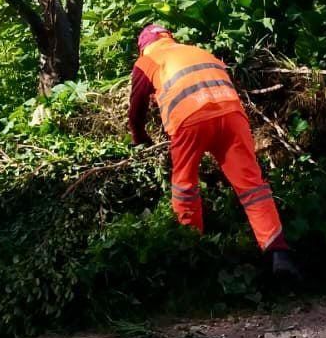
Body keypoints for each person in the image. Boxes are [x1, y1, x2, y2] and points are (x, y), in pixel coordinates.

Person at [128, 25, 298, 276]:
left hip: (190, 119)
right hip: (231, 115)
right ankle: (277, 251)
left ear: (143, 46)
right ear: (169, 38)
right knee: (252, 185)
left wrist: (139, 137)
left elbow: (136, 107)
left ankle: (192, 248)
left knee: (185, 185)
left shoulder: (147, 61)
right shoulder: (199, 52)